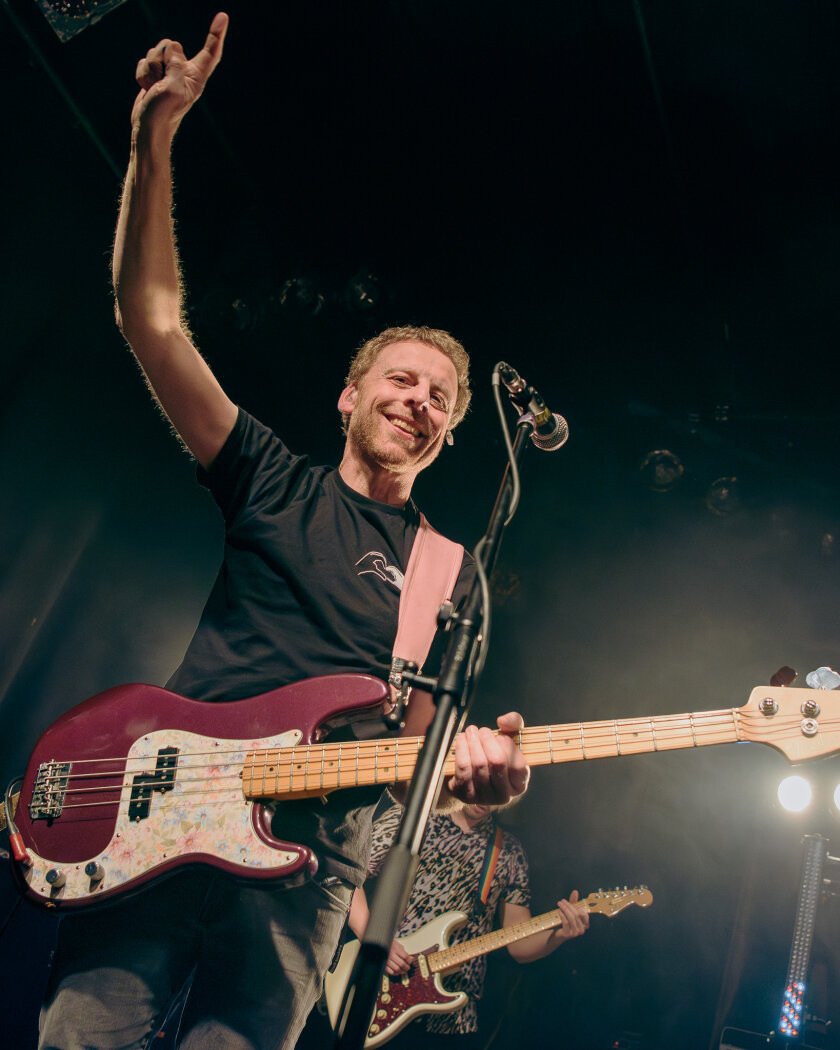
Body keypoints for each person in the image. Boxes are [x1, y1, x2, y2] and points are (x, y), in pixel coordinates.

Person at [37, 13, 530, 1050]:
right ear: (347, 397)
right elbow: (152, 318)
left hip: (310, 872)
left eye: (443, 397)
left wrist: (476, 784)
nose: (423, 400)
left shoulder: (455, 575)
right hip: (164, 820)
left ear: (446, 436)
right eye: (403, 378)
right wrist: (154, 139)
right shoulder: (271, 477)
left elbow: (414, 748)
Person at [343, 798, 589, 1049]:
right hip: (383, 985)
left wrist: (558, 936)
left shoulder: (509, 852)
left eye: (497, 794)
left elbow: (519, 945)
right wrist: (375, 939)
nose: (486, 799)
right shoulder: (411, 817)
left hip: (452, 1014)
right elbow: (347, 874)